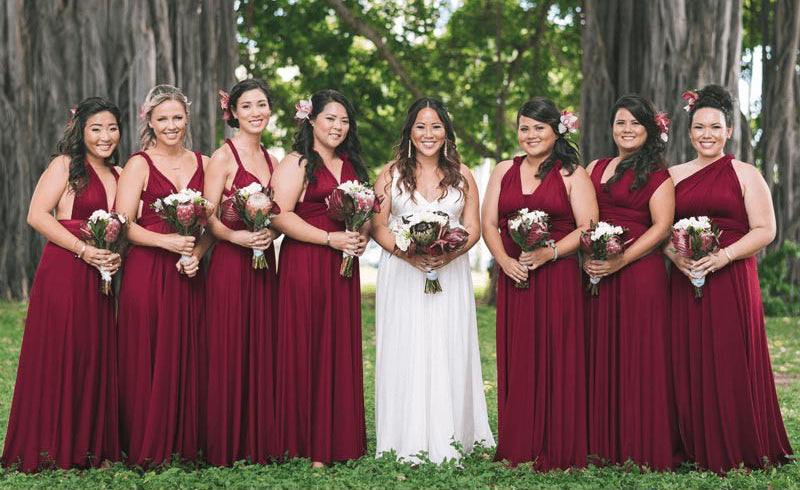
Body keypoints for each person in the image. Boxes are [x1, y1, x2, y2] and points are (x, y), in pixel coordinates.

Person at [666, 84, 793, 473]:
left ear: (729, 131)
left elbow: (765, 229)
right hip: (684, 279)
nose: (707, 134)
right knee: (685, 358)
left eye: (715, 127)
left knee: (731, 357)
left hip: (732, 278)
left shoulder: (745, 174)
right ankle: (691, 443)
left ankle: (737, 443)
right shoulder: (671, 176)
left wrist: (723, 256)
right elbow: (659, 230)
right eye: (700, 127)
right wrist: (676, 256)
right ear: (689, 132)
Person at [371, 97, 495, 464]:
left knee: (448, 344)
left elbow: (472, 228)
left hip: (449, 272)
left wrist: (449, 253)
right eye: (421, 126)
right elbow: (378, 225)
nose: (428, 134)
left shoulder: (463, 174)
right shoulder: (390, 174)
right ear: (410, 130)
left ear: (446, 132)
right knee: (405, 344)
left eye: (436, 126)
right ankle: (403, 434)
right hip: (403, 273)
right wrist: (408, 253)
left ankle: (453, 433)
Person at [2, 98, 123, 471]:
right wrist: (84, 251)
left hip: (102, 274)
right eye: (96, 128)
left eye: (112, 128)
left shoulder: (119, 174)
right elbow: (37, 215)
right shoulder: (65, 167)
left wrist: (114, 253)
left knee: (94, 353)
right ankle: (50, 446)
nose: (106, 136)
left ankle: (90, 446)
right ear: (80, 131)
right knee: (61, 351)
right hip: (65, 268)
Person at [482, 97, 596, 470]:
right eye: (524, 128)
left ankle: (558, 440)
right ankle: (519, 442)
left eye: (538, 128)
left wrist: (551, 253)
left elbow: (588, 227)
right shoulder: (503, 170)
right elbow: (488, 224)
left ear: (556, 130)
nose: (530, 135)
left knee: (558, 354)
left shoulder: (571, 173)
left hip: (559, 277)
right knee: (519, 354)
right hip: (516, 276)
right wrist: (504, 262)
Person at [270, 89, 368, 466]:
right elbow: (280, 214)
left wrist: (358, 234)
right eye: (330, 118)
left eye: (344, 121)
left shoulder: (353, 165)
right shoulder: (296, 163)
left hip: (343, 265)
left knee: (338, 345)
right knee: (306, 344)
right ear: (311, 120)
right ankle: (303, 442)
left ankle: (341, 438)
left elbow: (367, 211)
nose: (338, 127)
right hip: (306, 262)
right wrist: (329, 237)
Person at [116, 84, 211, 466]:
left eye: (177, 117)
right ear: (150, 122)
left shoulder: (204, 163)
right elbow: (124, 224)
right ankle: (144, 443)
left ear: (187, 118)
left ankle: (184, 442)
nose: (171, 125)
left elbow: (209, 226)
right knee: (146, 352)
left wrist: (196, 254)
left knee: (188, 351)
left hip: (189, 270)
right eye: (162, 119)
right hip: (147, 270)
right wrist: (167, 243)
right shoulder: (139, 163)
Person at [583, 95, 678, 470]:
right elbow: (585, 219)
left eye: (636, 123)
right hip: (597, 272)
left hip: (640, 273)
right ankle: (600, 442)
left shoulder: (657, 173)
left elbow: (662, 228)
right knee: (600, 349)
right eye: (620, 122)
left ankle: (640, 443)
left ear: (649, 128)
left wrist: (621, 258)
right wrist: (591, 256)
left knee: (639, 353)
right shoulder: (595, 166)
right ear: (612, 127)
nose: (627, 130)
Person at [204, 79, 280, 465]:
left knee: (261, 344)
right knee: (230, 345)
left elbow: (281, 213)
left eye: (262, 104)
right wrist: (237, 238)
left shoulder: (273, 161)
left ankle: (258, 439)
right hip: (231, 265)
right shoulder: (223, 157)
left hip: (265, 264)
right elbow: (209, 216)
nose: (256, 112)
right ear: (233, 113)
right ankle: (226, 442)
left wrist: (269, 231)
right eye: (247, 106)